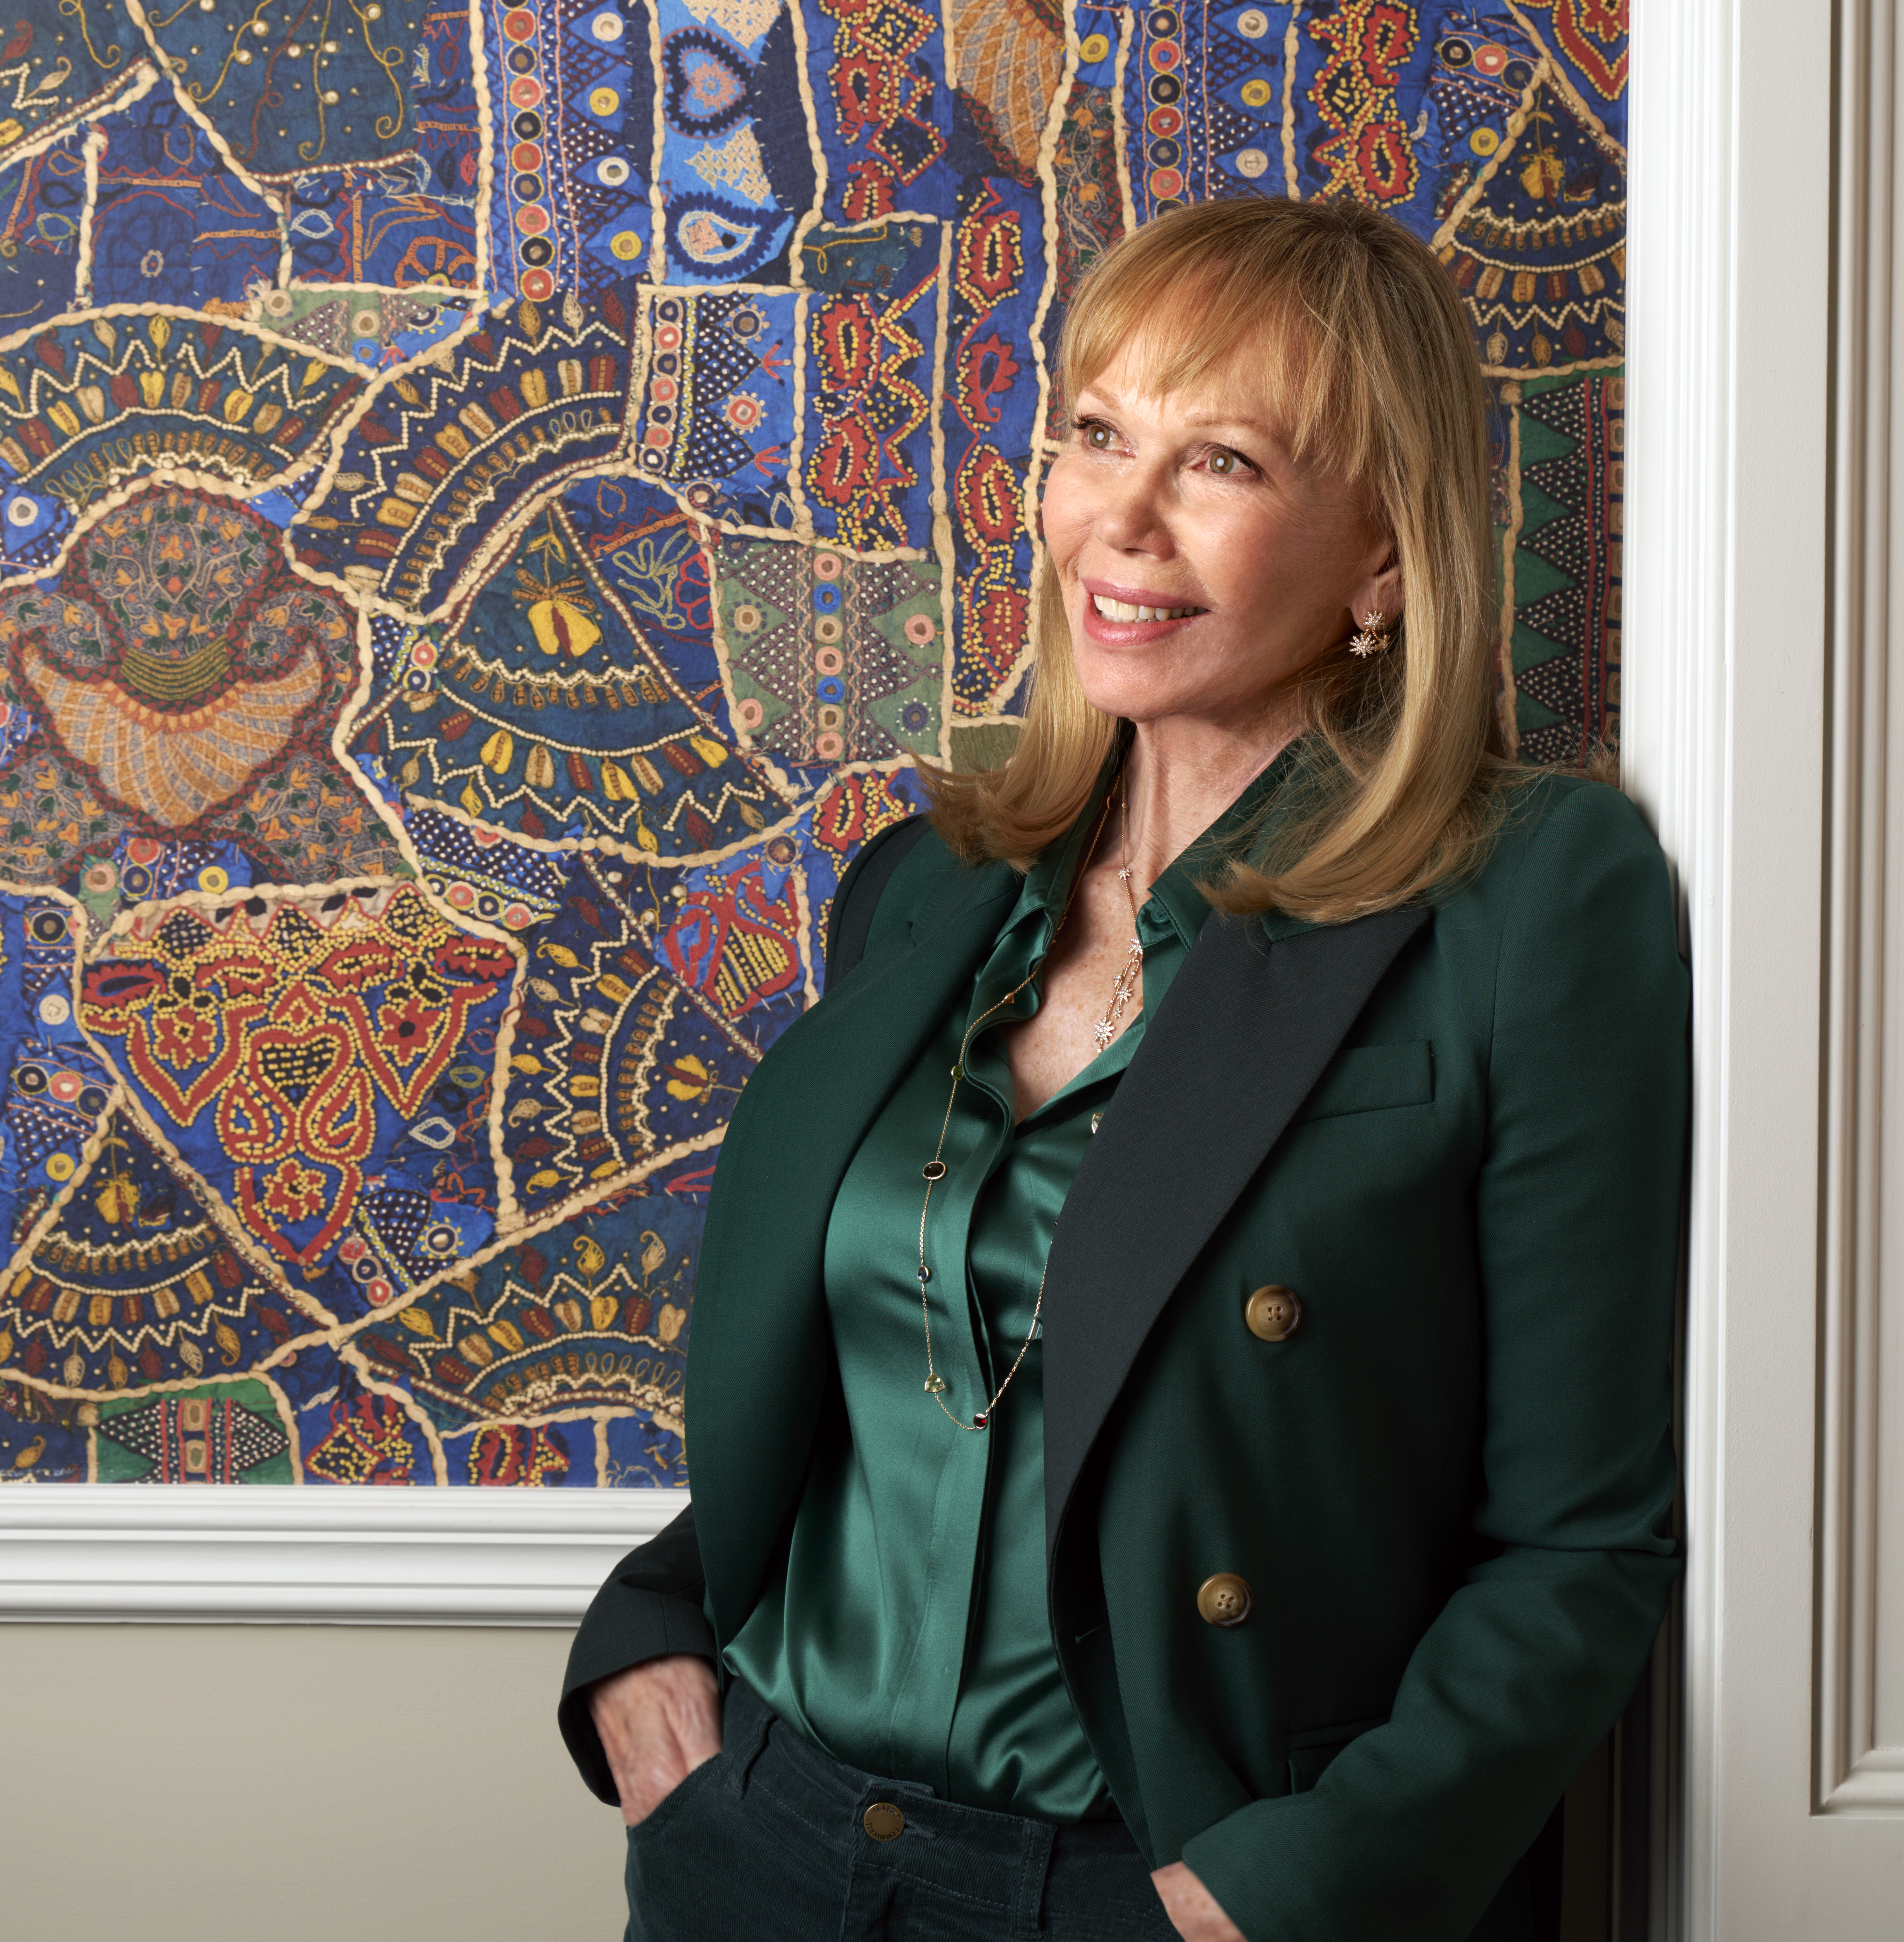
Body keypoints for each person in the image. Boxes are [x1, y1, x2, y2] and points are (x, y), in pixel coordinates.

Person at [557, 195, 1688, 1942]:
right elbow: (880, 1387)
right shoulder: (929, 889)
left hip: (1142, 1885)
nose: (1121, 518)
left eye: (1219, 461)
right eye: (1095, 434)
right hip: (760, 1847)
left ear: (1380, 554)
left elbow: (1579, 1539)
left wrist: (1274, 1897)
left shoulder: (1531, 901)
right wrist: (652, 1628)